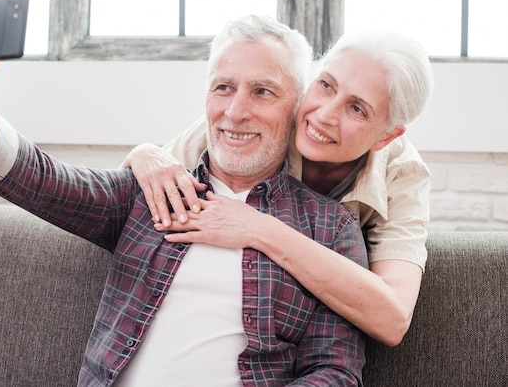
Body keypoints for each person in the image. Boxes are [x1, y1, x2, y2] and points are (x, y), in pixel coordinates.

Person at [0, 0, 368, 386]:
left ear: (296, 105)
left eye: (263, 92)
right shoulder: (147, 193)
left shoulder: (329, 227)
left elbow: (335, 371)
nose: (236, 111)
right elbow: (33, 176)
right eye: (224, 88)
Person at [123, 28, 434, 347]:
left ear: (386, 136)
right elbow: (134, 193)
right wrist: (144, 153)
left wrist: (258, 228)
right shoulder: (265, 116)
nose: (323, 115)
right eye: (326, 85)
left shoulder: (402, 174)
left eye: (356, 109)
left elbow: (392, 319)